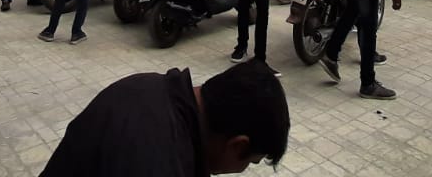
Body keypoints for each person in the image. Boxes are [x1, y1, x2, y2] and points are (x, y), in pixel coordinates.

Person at [39, 59, 289, 176]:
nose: (240, 171)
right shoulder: (164, 163)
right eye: (250, 163)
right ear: (238, 146)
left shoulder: (146, 84)